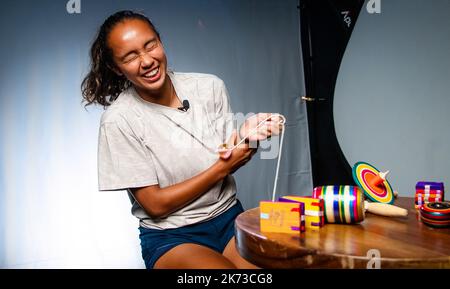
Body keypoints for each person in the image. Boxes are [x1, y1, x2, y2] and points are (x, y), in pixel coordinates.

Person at [81, 10, 281, 269]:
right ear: (115, 67)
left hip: (229, 218)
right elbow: (155, 205)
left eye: (150, 45)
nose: (146, 61)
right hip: (172, 236)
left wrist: (247, 136)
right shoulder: (119, 120)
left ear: (160, 42)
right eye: (130, 57)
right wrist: (223, 168)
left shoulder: (209, 87)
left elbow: (224, 153)